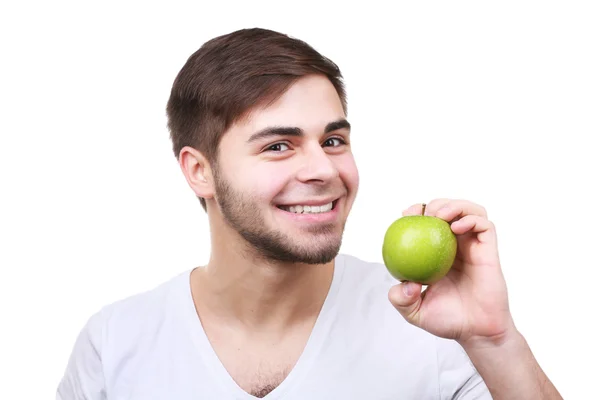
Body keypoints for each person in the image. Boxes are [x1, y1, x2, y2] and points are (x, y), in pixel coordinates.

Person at [57, 28, 562, 399]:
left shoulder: (434, 329)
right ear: (199, 171)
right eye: (279, 146)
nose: (324, 168)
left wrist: (493, 340)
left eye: (334, 140)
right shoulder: (114, 345)